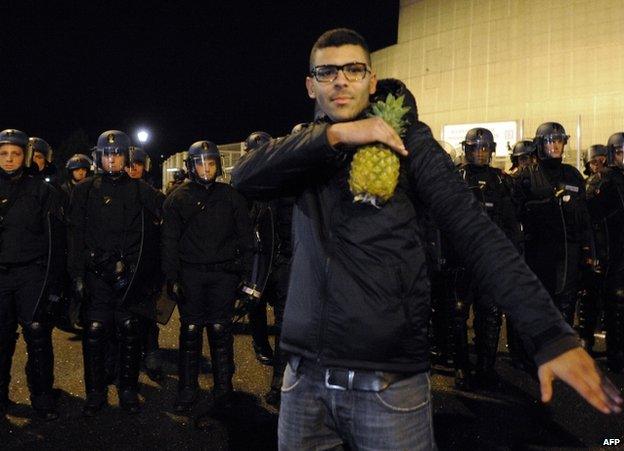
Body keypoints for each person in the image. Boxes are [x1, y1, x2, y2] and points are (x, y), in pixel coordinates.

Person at [231, 28, 622, 450]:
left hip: (388, 386)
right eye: (326, 72)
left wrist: (548, 333)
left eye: (353, 69)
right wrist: (337, 136)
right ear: (311, 84)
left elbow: (477, 232)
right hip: (303, 381)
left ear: (371, 80)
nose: (340, 80)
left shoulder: (410, 141)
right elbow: (245, 177)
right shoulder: (307, 148)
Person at [67, 130, 164, 416]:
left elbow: (166, 216)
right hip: (96, 274)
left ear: (126, 157)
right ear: (98, 157)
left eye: (117, 154)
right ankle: (95, 392)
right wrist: (78, 274)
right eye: (107, 154)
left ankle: (128, 388)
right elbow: (75, 234)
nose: (112, 159)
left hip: (129, 277)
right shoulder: (84, 189)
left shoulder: (140, 189)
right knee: (95, 332)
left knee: (130, 331)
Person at [161, 140, 253, 412]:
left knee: (220, 330)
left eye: (211, 163)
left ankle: (224, 388)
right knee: (190, 331)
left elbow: (246, 238)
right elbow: (169, 241)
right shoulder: (177, 198)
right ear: (190, 166)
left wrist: (245, 275)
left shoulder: (231, 196)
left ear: (218, 165)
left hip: (223, 274)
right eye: (200, 163)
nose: (205, 168)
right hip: (191, 275)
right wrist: (172, 277)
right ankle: (188, 389)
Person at [0, 129, 65, 420]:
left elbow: (55, 242)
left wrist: (52, 284)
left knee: (37, 336)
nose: (9, 159)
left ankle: (42, 397)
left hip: (32, 275)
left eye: (15, 153)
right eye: (3, 153)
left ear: (25, 156)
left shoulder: (43, 191)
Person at [450, 127, 521, 389]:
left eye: (484, 148)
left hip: (491, 261)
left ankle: (485, 367)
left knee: (490, 314)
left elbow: (511, 223)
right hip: (461, 260)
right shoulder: (455, 178)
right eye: (475, 147)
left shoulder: (500, 181)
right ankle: (461, 367)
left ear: (491, 151)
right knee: (458, 314)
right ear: (466, 149)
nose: (480, 152)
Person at [125, 145, 164, 382]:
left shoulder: (152, 194)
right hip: (125, 262)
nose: (133, 169)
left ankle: (151, 353)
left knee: (148, 314)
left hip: (148, 263)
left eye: (137, 164)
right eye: (129, 164)